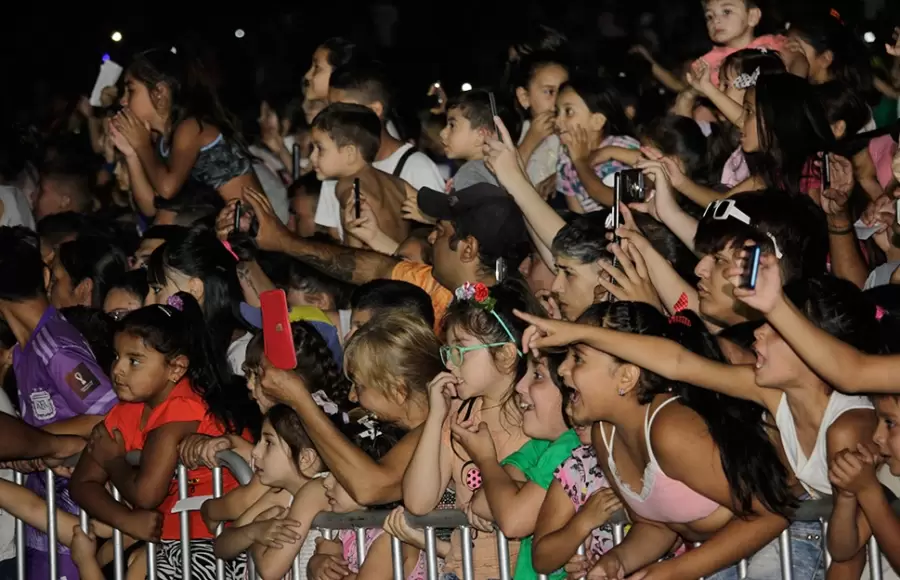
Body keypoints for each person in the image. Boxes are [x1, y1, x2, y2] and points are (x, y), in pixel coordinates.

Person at [70, 293, 254, 580]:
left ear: (176, 368)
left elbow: (146, 493)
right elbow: (82, 483)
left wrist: (114, 460)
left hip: (215, 545)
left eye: (134, 361)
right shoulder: (125, 411)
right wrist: (127, 520)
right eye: (117, 356)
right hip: (171, 543)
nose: (117, 369)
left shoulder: (185, 406)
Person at [0, 225, 117, 580]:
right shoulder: (25, 348)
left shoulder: (56, 346)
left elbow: (112, 413)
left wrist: (36, 440)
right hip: (44, 524)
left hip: (75, 533)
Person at [110, 48, 261, 217]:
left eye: (130, 91)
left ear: (159, 93)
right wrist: (131, 154)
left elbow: (167, 189)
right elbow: (152, 208)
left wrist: (142, 145)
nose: (123, 101)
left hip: (252, 230)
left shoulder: (191, 127)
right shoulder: (163, 140)